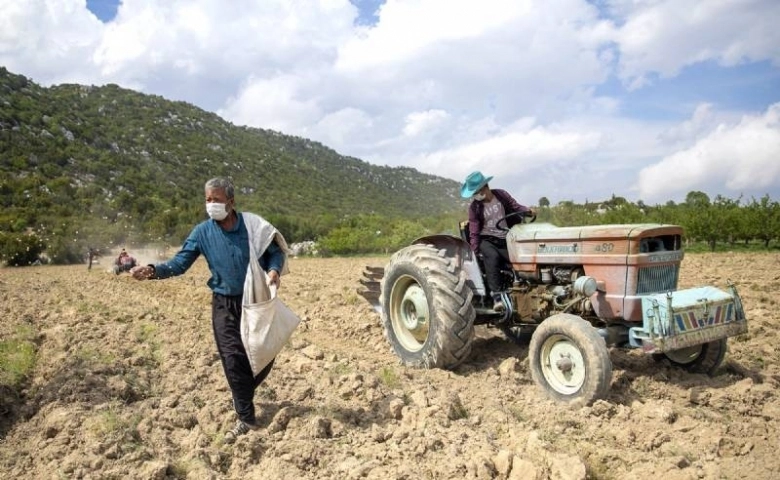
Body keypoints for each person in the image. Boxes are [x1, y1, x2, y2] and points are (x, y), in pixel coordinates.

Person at [130, 177, 291, 444]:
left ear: (231, 201)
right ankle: (246, 419)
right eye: (207, 200)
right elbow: (180, 263)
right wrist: (152, 270)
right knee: (233, 358)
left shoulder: (252, 226)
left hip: (255, 300)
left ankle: (241, 392)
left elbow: (274, 252)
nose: (211, 204)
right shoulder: (202, 232)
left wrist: (273, 269)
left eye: (216, 199)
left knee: (264, 355)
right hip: (224, 304)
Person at [461, 171, 534, 312]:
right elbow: (474, 231)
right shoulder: (474, 208)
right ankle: (497, 297)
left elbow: (515, 207)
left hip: (506, 237)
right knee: (492, 257)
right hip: (487, 240)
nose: (475, 195)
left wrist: (528, 211)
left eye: (475, 192)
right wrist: (474, 252)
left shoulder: (501, 195)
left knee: (519, 260)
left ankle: (523, 290)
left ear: (484, 188)